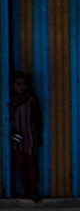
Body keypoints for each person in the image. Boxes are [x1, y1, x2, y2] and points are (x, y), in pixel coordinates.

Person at [6, 71, 39, 202]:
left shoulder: (30, 100)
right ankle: (25, 191)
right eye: (18, 84)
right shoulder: (11, 101)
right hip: (17, 135)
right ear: (12, 86)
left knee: (31, 163)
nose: (21, 87)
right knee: (21, 163)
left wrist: (39, 135)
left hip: (30, 134)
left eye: (23, 84)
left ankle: (33, 191)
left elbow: (37, 117)